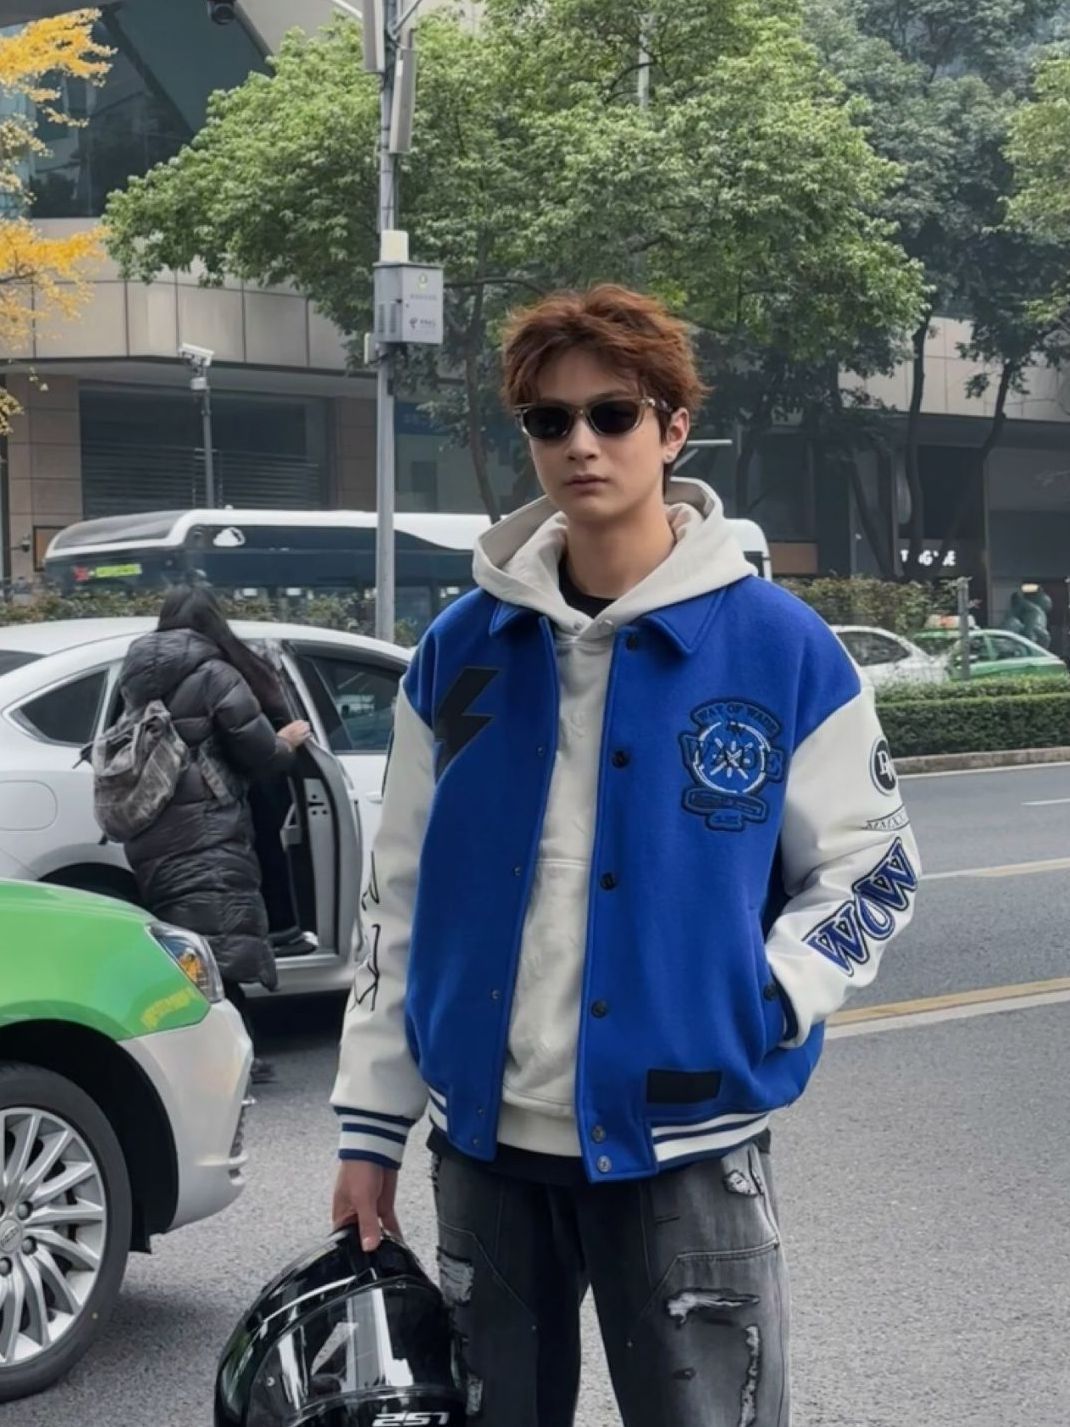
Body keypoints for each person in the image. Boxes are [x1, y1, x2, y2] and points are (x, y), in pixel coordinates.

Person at [329, 285, 921, 1426]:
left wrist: (766, 996)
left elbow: (874, 863)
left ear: (673, 428)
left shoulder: (777, 646)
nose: (581, 443)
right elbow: (395, 900)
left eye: (612, 413)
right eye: (549, 421)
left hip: (687, 1148)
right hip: (486, 1149)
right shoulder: (459, 651)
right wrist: (370, 1127)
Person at [118, 584, 310, 1083]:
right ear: (213, 624)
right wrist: (287, 741)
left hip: (151, 820)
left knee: (185, 937)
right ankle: (229, 1059)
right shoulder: (216, 674)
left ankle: (196, 1054)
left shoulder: (135, 675)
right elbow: (259, 752)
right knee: (218, 943)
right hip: (206, 823)